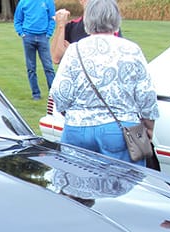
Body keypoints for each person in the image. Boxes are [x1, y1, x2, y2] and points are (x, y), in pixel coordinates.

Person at [49, 0, 158, 166]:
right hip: (120, 130)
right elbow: (146, 94)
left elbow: (59, 93)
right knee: (124, 186)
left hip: (78, 129)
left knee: (77, 186)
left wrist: (74, 114)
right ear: (116, 20)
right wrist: (148, 125)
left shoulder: (74, 50)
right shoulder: (131, 50)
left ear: (88, 20)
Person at [14, 0, 56, 100]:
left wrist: (49, 34)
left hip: (43, 37)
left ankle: (54, 94)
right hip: (28, 37)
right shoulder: (23, 2)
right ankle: (36, 94)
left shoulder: (48, 1)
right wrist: (21, 33)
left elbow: (52, 18)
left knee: (48, 67)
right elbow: (17, 19)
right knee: (31, 68)